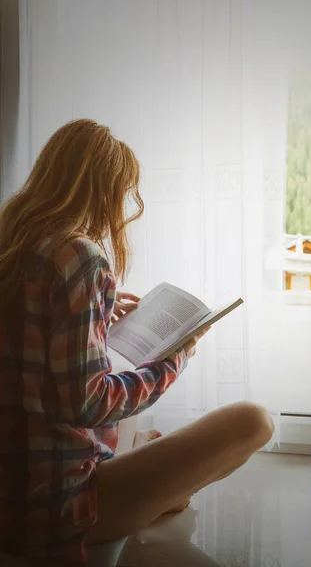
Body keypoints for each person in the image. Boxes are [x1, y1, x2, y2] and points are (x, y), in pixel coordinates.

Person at [0, 119, 274, 564]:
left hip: (11, 496)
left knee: (141, 434)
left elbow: (30, 354)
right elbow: (87, 404)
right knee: (253, 421)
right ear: (102, 190)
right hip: (54, 513)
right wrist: (175, 358)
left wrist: (100, 317)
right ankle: (151, 490)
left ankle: (145, 474)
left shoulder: (14, 237)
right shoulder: (81, 257)